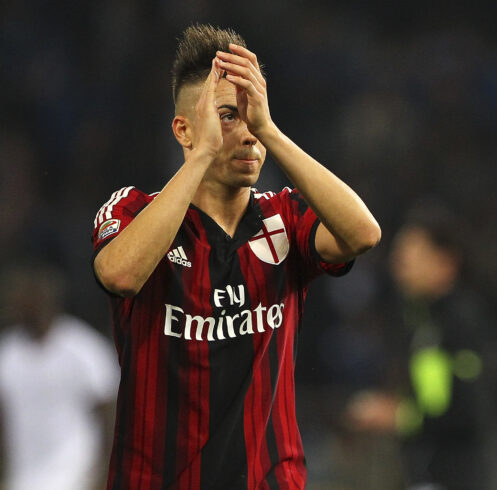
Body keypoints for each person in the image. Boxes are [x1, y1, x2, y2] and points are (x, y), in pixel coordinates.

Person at [90, 24, 380, 490]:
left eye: (253, 115)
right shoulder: (132, 209)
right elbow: (119, 274)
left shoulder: (285, 218)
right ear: (184, 130)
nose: (247, 134)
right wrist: (203, 154)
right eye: (227, 116)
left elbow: (363, 233)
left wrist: (271, 131)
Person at [346, 203, 497, 490]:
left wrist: (396, 415)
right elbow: (432, 400)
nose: (399, 264)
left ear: (446, 262)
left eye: (413, 254)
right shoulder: (419, 319)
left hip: (459, 477)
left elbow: (469, 410)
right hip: (428, 474)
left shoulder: (462, 321)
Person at [0, 262, 119, 490]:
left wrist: (104, 474)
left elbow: (110, 415)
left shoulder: (83, 348)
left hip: (76, 478)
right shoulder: (8, 353)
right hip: (22, 480)